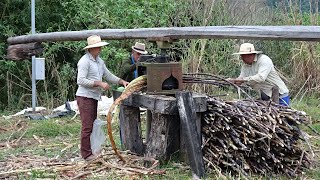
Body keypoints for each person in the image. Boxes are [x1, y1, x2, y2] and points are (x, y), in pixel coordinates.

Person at [76, 35, 129, 161]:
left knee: (92, 124)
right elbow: (81, 80)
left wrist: (121, 82)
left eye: (100, 47)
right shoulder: (84, 61)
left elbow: (108, 75)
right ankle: (86, 154)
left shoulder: (99, 61)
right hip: (85, 96)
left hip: (93, 96)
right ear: (91, 49)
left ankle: (91, 150)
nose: (99, 49)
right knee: (87, 126)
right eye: (97, 47)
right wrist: (99, 83)